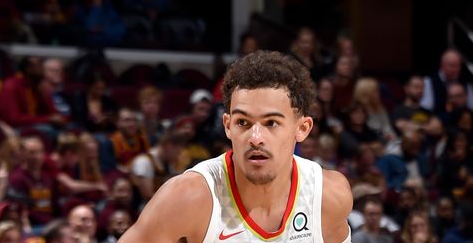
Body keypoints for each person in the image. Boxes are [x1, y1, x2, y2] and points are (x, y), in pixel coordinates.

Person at [119, 50, 353, 242]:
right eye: (243, 122)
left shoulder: (327, 197)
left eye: (271, 123)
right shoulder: (190, 197)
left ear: (302, 129)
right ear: (228, 126)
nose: (256, 137)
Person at [421, 50, 473, 115]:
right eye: (452, 66)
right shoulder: (429, 82)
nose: (457, 69)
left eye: (458, 66)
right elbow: (425, 109)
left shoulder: (465, 83)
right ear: (442, 65)